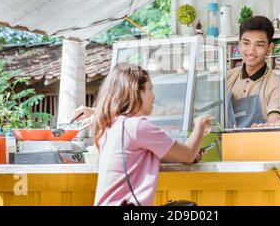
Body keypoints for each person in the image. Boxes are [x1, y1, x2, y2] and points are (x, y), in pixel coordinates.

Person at [72, 63, 212, 206]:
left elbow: (141, 157)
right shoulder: (138, 126)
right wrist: (200, 125)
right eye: (150, 89)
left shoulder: (111, 126)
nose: (154, 96)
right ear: (136, 92)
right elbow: (187, 154)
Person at [226, 16, 280, 128]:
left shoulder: (276, 84)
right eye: (246, 43)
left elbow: (274, 117)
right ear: (239, 44)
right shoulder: (227, 77)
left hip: (260, 143)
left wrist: (272, 125)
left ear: (269, 47)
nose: (251, 51)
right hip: (226, 144)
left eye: (259, 45)